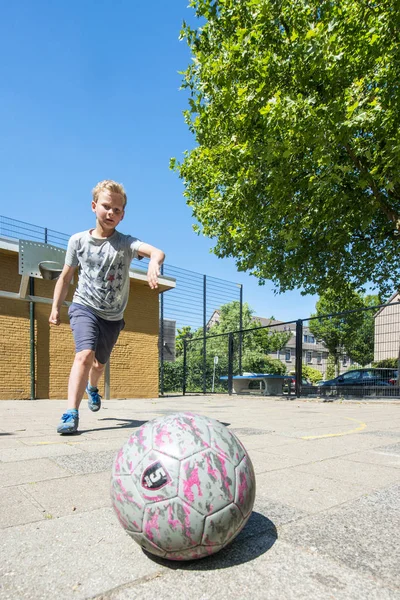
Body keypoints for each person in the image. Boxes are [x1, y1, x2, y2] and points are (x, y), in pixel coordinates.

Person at [49, 180, 165, 434]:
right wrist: (56, 307)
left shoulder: (125, 243)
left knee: (99, 365)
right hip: (84, 307)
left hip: (112, 316)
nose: (111, 213)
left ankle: (93, 388)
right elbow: (66, 278)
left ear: (123, 215)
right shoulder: (78, 241)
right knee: (84, 355)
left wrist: (154, 262)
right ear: (94, 207)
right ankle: (71, 412)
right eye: (106, 207)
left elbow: (156, 251)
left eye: (117, 210)